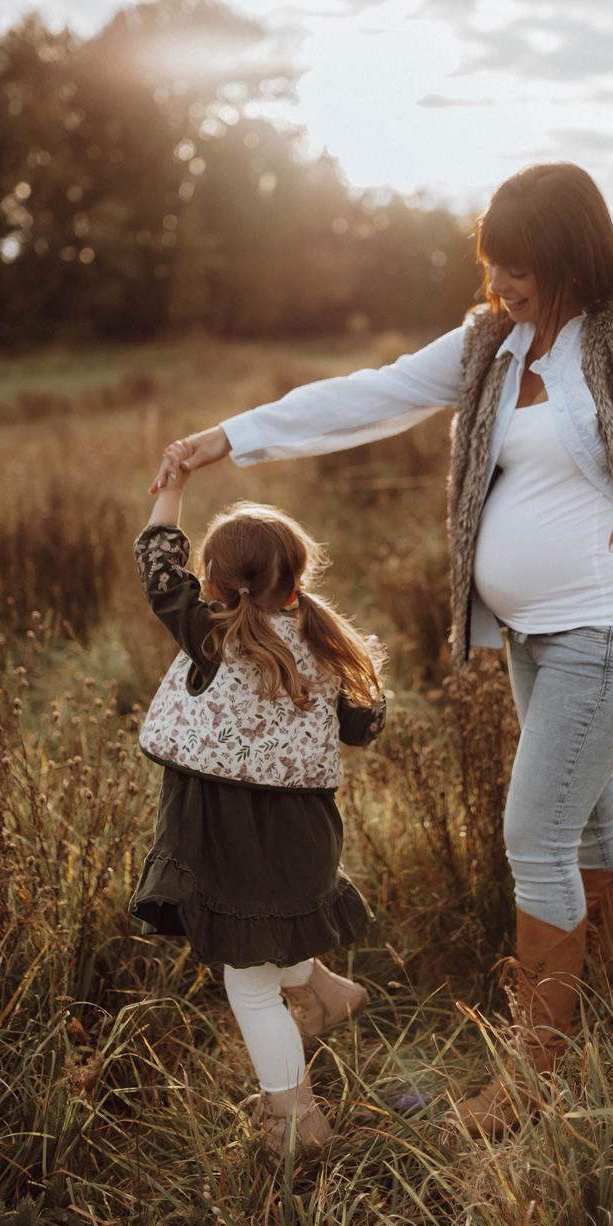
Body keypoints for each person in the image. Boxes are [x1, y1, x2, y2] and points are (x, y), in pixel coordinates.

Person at [150, 162, 613, 1138]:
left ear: (569, 256)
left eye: (519, 268)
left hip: (609, 630)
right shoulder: (490, 343)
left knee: (534, 837)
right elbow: (368, 396)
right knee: (586, 825)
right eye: (492, 265)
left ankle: (535, 1075)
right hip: (537, 635)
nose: (500, 285)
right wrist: (230, 437)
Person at [129, 461, 386, 1155]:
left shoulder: (211, 634)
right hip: (306, 839)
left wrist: (172, 490)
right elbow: (363, 729)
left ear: (212, 583)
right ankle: (328, 992)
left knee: (249, 987)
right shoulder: (330, 643)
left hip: (225, 839)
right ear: (296, 576)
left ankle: (295, 1120)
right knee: (272, 935)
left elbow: (159, 568)